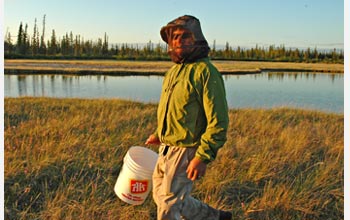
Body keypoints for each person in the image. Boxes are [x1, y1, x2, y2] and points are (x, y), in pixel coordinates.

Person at [145, 15, 231, 220]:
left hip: (186, 151)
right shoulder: (173, 73)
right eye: (174, 37)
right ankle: (215, 217)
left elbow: (219, 122)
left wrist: (202, 156)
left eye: (185, 36)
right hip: (165, 148)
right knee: (161, 196)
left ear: (197, 40)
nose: (179, 41)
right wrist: (159, 134)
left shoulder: (207, 72)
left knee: (168, 206)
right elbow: (172, 110)